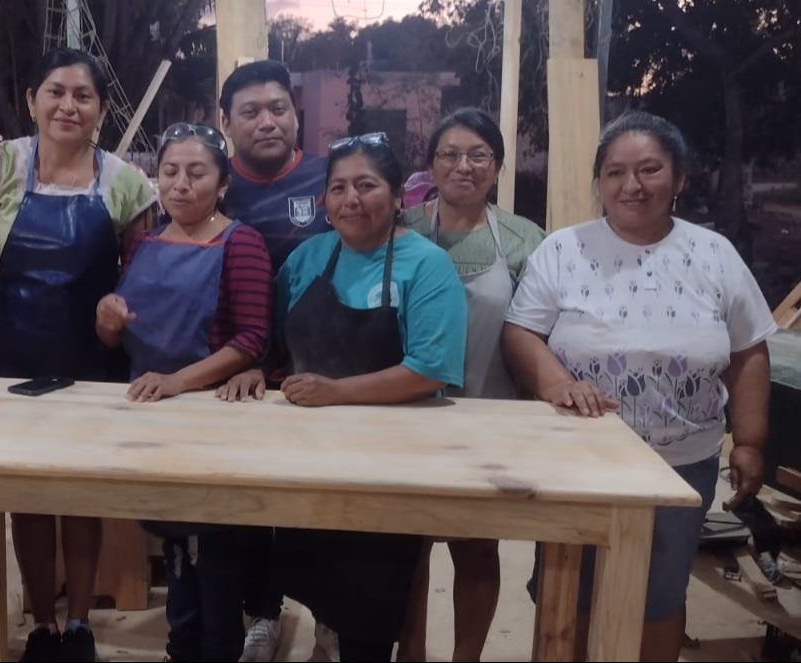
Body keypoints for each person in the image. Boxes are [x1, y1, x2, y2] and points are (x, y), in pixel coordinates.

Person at [502, 110, 776, 662]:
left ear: (679, 179)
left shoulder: (713, 254)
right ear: (599, 184)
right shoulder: (563, 250)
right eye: (615, 173)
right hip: (579, 458)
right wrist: (558, 383)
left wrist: (748, 441)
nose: (632, 185)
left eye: (650, 169)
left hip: (680, 463)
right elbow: (520, 332)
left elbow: (749, 350)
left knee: (660, 590)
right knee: (568, 584)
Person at [0, 46, 158, 663]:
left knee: (80, 497)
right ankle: (41, 625)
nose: (68, 105)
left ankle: (80, 624)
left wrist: (122, 332)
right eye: (55, 92)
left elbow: (139, 282)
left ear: (101, 110)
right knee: (28, 496)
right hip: (12, 358)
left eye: (82, 95)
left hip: (94, 363)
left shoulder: (127, 182)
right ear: (32, 101)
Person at [221, 133, 468, 660]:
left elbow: (429, 369)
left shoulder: (426, 266)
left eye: (366, 185)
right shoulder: (309, 257)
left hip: (389, 462)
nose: (350, 199)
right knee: (310, 573)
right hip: (307, 455)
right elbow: (274, 337)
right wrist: (255, 369)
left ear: (398, 195)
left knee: (369, 610)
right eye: (338, 188)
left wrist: (336, 393)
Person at [97, 122, 273, 660]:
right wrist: (107, 320)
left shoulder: (240, 242)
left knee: (212, 546)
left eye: (197, 173)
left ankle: (216, 647)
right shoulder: (144, 243)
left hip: (213, 418)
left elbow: (251, 338)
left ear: (222, 184)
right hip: (150, 416)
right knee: (174, 542)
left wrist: (179, 383)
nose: (181, 184)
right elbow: (118, 337)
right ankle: (183, 645)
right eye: (170, 172)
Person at [397, 108, 546, 663]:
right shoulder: (401, 230)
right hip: (405, 417)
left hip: (490, 419)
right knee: (404, 551)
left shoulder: (524, 240)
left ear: (498, 167)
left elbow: (540, 335)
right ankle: (408, 652)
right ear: (431, 166)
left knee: (477, 547)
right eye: (450, 155)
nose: (464, 166)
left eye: (478, 155)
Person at [214, 58, 334, 663]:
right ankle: (260, 612)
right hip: (237, 381)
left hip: (327, 380)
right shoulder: (211, 186)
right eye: (251, 112)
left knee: (324, 510)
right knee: (246, 508)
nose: (268, 121)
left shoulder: (330, 180)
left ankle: (331, 621)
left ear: (296, 113)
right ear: (227, 122)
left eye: (278, 108)